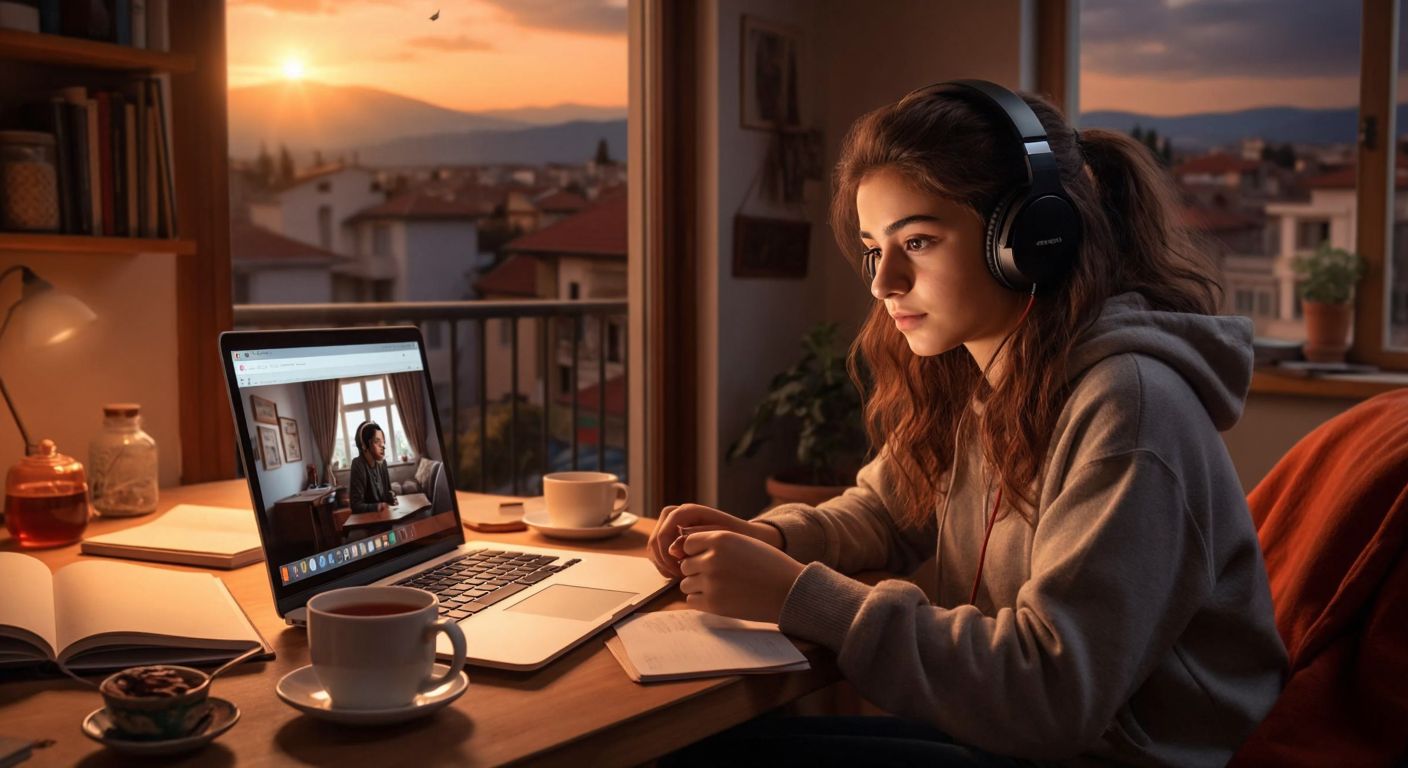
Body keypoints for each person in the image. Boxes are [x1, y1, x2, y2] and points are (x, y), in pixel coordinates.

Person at [648, 81, 1287, 766]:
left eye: (917, 240)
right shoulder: (979, 378)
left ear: (1031, 239)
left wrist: (798, 596)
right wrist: (769, 536)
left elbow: (1055, 692)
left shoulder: (1131, 408)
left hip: (1105, 757)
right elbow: (887, 512)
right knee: (693, 746)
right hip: (1015, 738)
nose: (882, 281)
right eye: (873, 248)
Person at [348, 420, 396, 516]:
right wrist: (377, 506)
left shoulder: (383, 463)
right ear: (364, 445)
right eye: (377, 441)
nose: (383, 446)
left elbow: (388, 493)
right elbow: (356, 506)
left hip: (384, 518)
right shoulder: (358, 464)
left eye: (383, 442)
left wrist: (391, 497)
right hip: (368, 521)